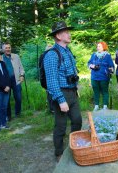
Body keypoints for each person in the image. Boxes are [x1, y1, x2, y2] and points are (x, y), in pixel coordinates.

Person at [44, 21, 82, 161]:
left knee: (77, 120)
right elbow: (51, 81)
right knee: (60, 125)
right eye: (66, 32)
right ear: (58, 35)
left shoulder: (68, 51)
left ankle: (75, 147)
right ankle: (59, 152)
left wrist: (76, 86)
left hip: (72, 91)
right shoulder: (51, 55)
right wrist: (60, 100)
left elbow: (72, 71)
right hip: (61, 93)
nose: (69, 34)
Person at [88, 41, 114, 111]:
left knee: (104, 91)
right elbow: (89, 63)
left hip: (104, 77)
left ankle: (105, 106)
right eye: (97, 46)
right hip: (94, 76)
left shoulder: (107, 56)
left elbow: (111, 65)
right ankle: (96, 106)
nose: (98, 47)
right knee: (96, 91)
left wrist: (111, 70)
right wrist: (92, 66)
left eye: (100, 46)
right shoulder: (94, 55)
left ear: (104, 47)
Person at [2, 42, 25, 121]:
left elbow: (21, 67)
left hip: (16, 80)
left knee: (18, 98)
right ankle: (8, 116)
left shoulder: (16, 56)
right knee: (6, 99)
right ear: (3, 49)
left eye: (9, 47)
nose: (8, 49)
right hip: (6, 82)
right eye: (6, 48)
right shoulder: (0, 58)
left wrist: (22, 75)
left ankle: (18, 113)